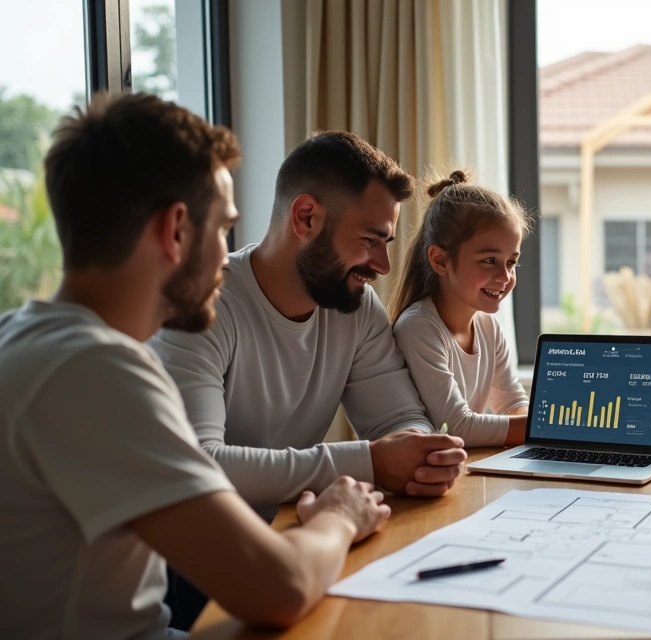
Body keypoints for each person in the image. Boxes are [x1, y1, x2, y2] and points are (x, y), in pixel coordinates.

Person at [0, 92, 390, 639]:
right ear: (176, 230)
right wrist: (341, 513)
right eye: (223, 228)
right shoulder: (95, 374)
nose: (229, 253)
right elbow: (279, 588)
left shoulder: (22, 337)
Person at [149, 131, 468, 628]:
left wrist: (422, 455)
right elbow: (202, 466)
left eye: (386, 243)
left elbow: (399, 418)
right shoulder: (201, 308)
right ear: (305, 218)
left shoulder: (355, 305)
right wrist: (370, 462)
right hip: (190, 567)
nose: (382, 266)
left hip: (293, 537)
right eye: (368, 241)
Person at [387, 170, 531, 447]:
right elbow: (457, 426)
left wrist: (536, 429)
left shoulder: (489, 328)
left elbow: (513, 403)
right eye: (490, 260)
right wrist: (547, 428)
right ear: (440, 260)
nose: (504, 276)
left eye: (511, 262)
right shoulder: (418, 328)